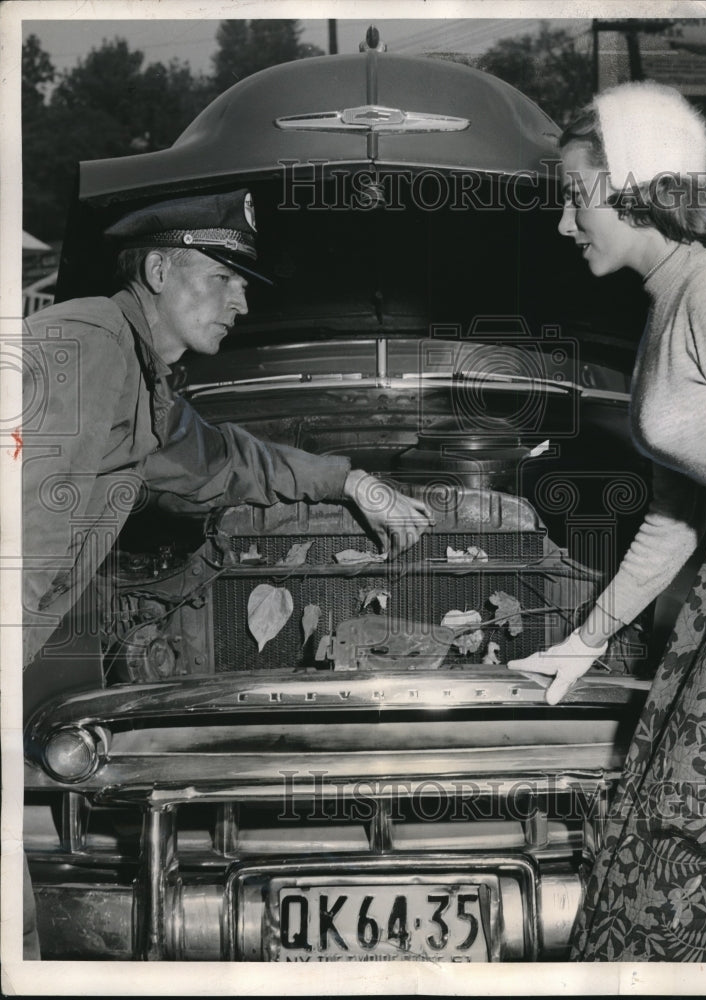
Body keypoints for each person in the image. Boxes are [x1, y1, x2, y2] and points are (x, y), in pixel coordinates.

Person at [20, 189, 433, 957]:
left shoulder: (139, 376)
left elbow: (225, 461)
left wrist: (346, 479)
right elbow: (24, 529)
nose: (241, 301)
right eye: (223, 277)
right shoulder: (87, 347)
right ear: (157, 268)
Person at [508, 81, 706, 962]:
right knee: (682, 836)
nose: (564, 223)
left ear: (634, 190)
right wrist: (586, 640)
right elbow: (676, 512)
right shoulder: (666, 301)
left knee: (705, 835)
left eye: (576, 198)